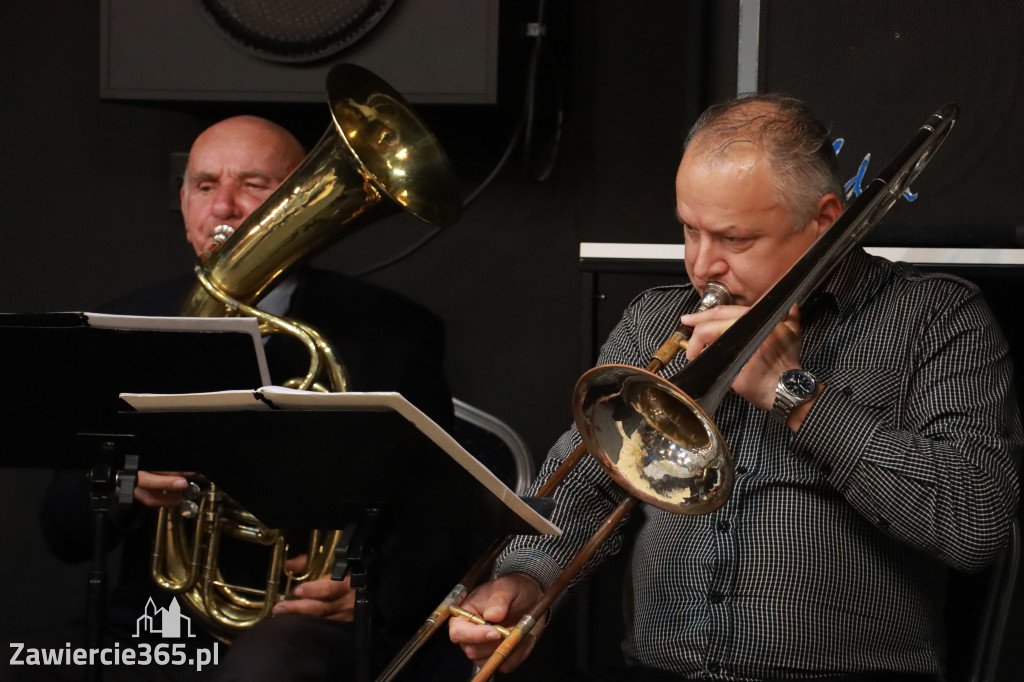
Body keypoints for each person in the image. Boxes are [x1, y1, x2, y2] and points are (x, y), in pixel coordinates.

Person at [449, 94, 1022, 681]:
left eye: (735, 240)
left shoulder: (936, 318)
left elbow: (973, 522)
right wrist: (526, 580)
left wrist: (794, 393)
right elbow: (583, 491)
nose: (702, 266)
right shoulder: (655, 322)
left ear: (824, 221)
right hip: (660, 670)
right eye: (689, 231)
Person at [15, 116, 460, 681]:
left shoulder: (393, 331)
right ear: (183, 207)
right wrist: (128, 477)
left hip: (306, 620)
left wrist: (378, 590)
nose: (223, 206)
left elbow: (445, 509)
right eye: (204, 185)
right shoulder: (122, 325)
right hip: (155, 623)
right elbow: (63, 531)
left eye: (254, 184)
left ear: (301, 202)